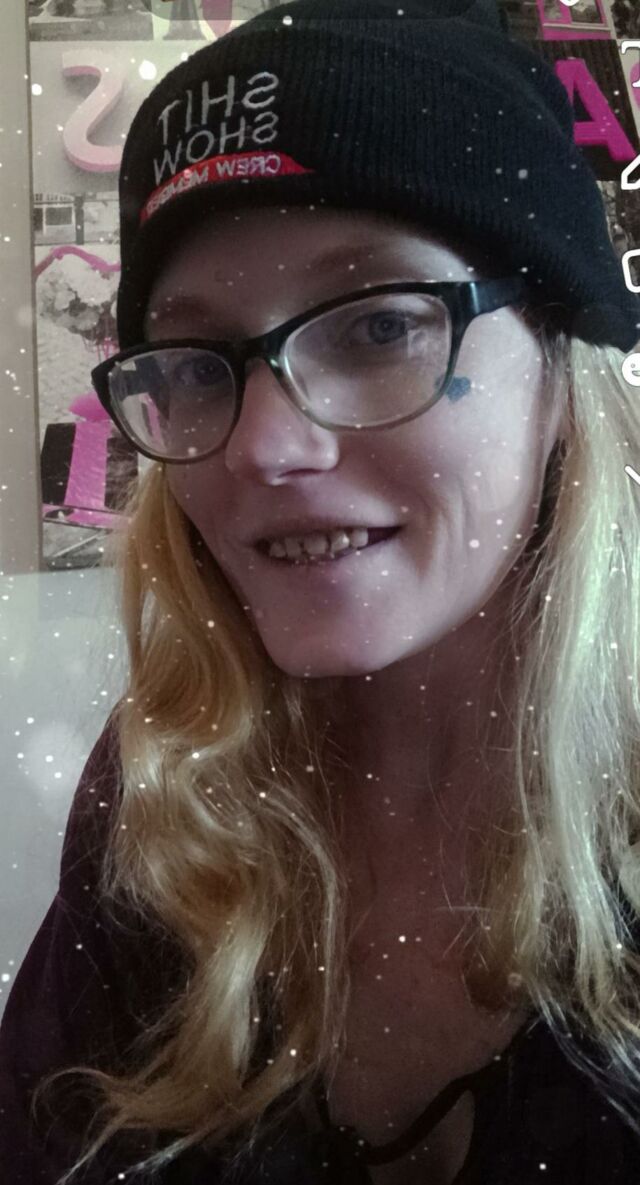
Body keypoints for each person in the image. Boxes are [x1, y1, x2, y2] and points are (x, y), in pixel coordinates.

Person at [2, 1, 640, 1182]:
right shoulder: (169, 786)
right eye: (200, 365)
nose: (263, 447)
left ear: (560, 367)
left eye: (380, 326)